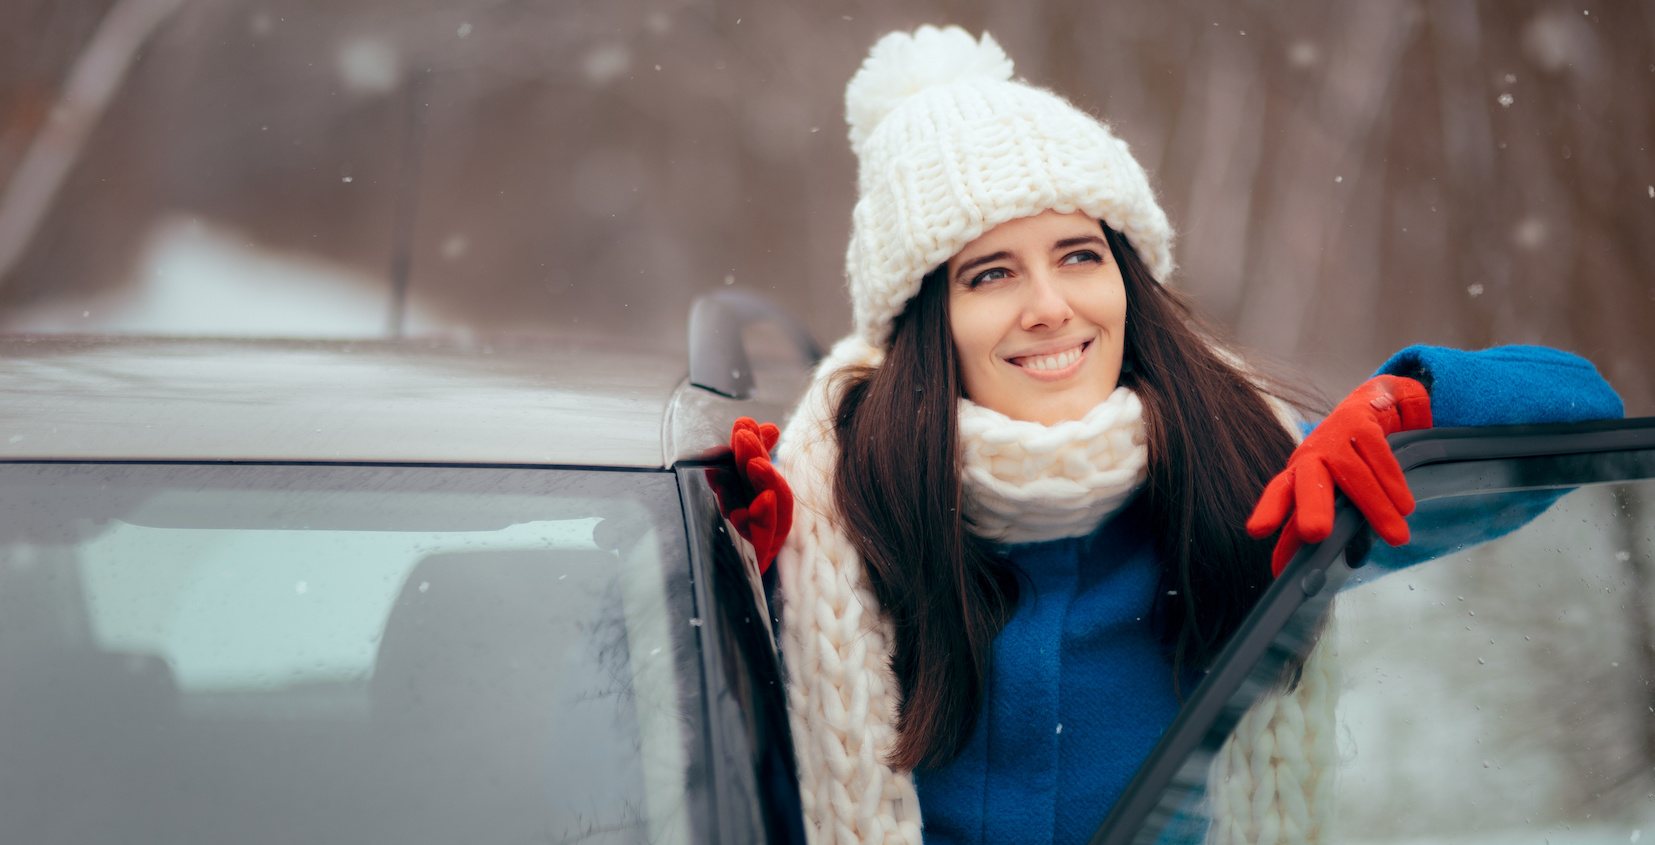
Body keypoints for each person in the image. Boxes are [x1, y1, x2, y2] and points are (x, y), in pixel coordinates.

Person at [716, 25, 1624, 845]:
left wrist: (1419, 407)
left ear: (1128, 278)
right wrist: (746, 590)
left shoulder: (1254, 471)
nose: (1049, 308)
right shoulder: (837, 516)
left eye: (1079, 255)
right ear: (923, 322)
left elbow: (1583, 412)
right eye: (988, 273)